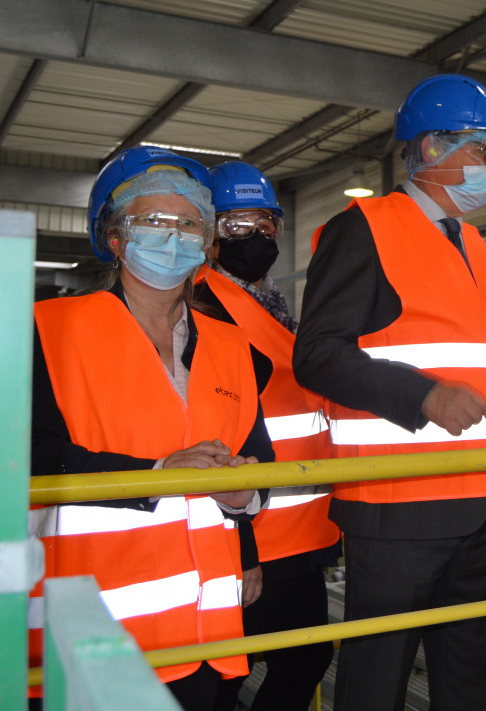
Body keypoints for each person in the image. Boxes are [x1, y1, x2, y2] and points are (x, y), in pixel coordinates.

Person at [293, 73, 486, 711]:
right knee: (377, 684)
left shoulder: (473, 245)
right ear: (430, 150)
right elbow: (317, 354)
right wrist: (423, 395)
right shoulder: (364, 228)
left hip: (479, 499)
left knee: (472, 682)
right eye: (481, 150)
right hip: (398, 507)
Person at [29, 146, 274, 711]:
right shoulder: (48, 330)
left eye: (189, 222)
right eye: (153, 221)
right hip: (94, 625)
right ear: (115, 239)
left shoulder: (235, 346)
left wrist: (246, 501)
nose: (174, 235)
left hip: (205, 631)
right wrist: (158, 473)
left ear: (207, 243)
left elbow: (255, 458)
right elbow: (30, 455)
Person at [194, 161, 341, 711]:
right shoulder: (203, 307)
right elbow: (217, 432)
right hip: (250, 534)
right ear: (209, 233)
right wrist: (243, 545)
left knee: (304, 657)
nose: (255, 237)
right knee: (229, 672)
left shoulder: (272, 302)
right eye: (236, 225)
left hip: (300, 532)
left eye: (265, 224)